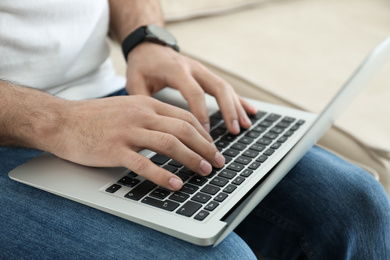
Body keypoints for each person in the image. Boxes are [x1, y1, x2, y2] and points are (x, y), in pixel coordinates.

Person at [0, 1, 389, 259]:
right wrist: (59, 121)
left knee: (357, 204)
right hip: (14, 133)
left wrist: (146, 39)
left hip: (111, 99)